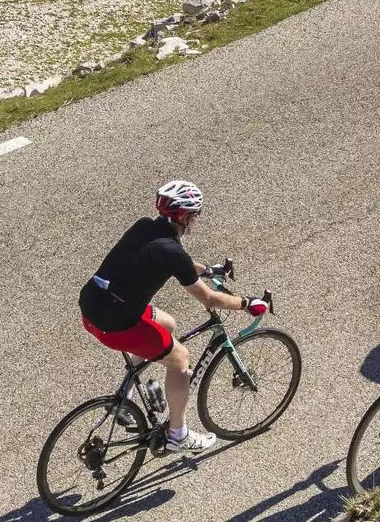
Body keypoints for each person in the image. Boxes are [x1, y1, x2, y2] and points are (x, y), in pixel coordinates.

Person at [78, 180, 264, 455]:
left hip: (93, 305)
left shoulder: (144, 227)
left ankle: (125, 399)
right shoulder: (172, 251)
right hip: (115, 324)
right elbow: (209, 298)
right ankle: (178, 435)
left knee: (167, 324)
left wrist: (207, 270)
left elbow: (178, 262)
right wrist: (246, 303)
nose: (196, 221)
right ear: (186, 217)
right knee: (179, 359)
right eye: (195, 216)